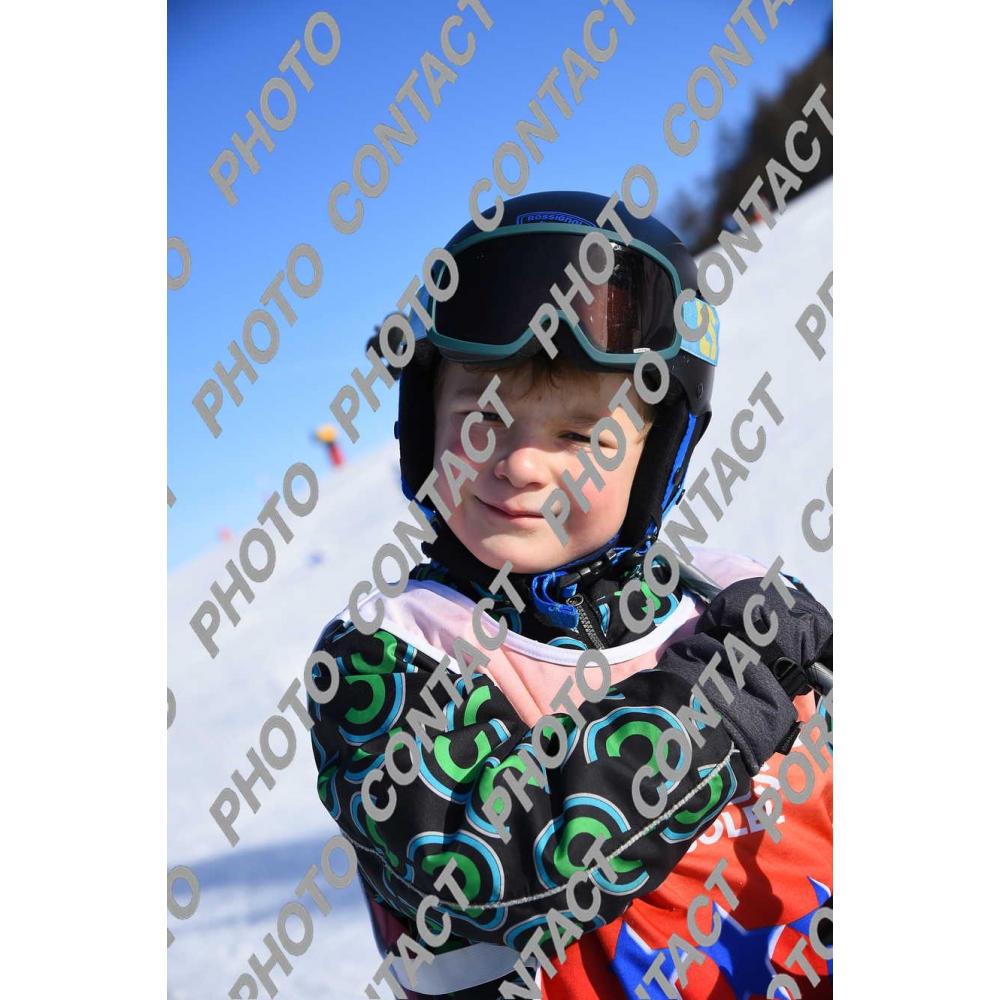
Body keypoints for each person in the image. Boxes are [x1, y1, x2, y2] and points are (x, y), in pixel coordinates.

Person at [306, 191, 833, 999]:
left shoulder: (735, 600)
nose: (521, 463)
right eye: (482, 418)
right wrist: (713, 710)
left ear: (657, 457)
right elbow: (484, 864)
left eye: (581, 435)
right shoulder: (386, 656)